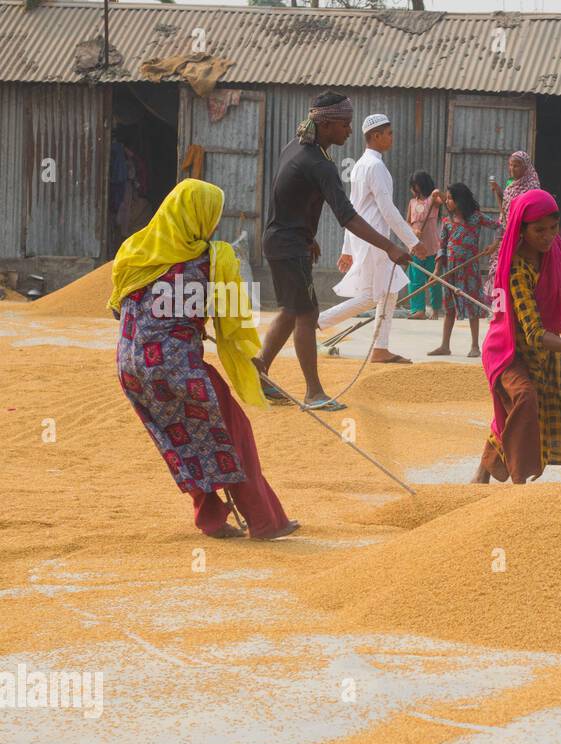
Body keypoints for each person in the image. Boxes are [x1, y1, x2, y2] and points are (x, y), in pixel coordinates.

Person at [111, 179, 297, 540]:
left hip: (131, 369)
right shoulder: (215, 258)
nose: (215, 224)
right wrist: (249, 362)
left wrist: (174, 321)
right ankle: (264, 522)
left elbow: (118, 309)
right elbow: (233, 325)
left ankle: (211, 519)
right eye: (213, 215)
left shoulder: (134, 249)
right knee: (234, 434)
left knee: (180, 435)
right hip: (178, 369)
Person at [257, 92, 415, 411]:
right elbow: (349, 216)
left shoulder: (298, 148)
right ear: (326, 124)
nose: (348, 131)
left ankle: (258, 369)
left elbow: (288, 193)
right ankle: (314, 393)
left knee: (291, 310)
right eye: (344, 124)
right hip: (288, 245)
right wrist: (390, 247)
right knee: (306, 314)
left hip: (283, 239)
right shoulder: (319, 163)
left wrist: (307, 233)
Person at [473, 188, 561, 484]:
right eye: (539, 231)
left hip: (540, 353)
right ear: (522, 230)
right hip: (507, 351)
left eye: (553, 228)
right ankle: (520, 481)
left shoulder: (552, 251)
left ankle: (481, 476)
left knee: (512, 414)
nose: (548, 236)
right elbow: (533, 332)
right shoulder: (517, 268)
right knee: (524, 398)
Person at [317, 113, 428, 367]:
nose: (392, 137)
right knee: (370, 297)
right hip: (375, 240)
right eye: (388, 133)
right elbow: (387, 210)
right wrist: (412, 242)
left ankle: (380, 348)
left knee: (388, 292)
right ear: (375, 136)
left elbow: (351, 208)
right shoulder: (375, 167)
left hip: (365, 239)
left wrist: (347, 248)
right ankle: (316, 322)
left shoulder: (361, 165)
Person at [429, 183, 500, 358]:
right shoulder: (447, 222)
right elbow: (442, 247)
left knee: (472, 307)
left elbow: (499, 227)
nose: (448, 201)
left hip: (469, 270)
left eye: (451, 198)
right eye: (447, 198)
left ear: (460, 200)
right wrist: (438, 270)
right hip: (450, 271)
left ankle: (475, 346)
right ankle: (445, 346)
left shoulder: (476, 218)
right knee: (449, 308)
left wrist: (494, 245)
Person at [405, 171, 444, 321]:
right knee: (415, 280)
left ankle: (435, 311)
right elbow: (407, 222)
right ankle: (418, 310)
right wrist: (414, 230)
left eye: (415, 185)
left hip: (432, 247)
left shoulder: (433, 201)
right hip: (416, 247)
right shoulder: (412, 203)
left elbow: (445, 200)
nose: (414, 188)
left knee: (434, 280)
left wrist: (437, 193)